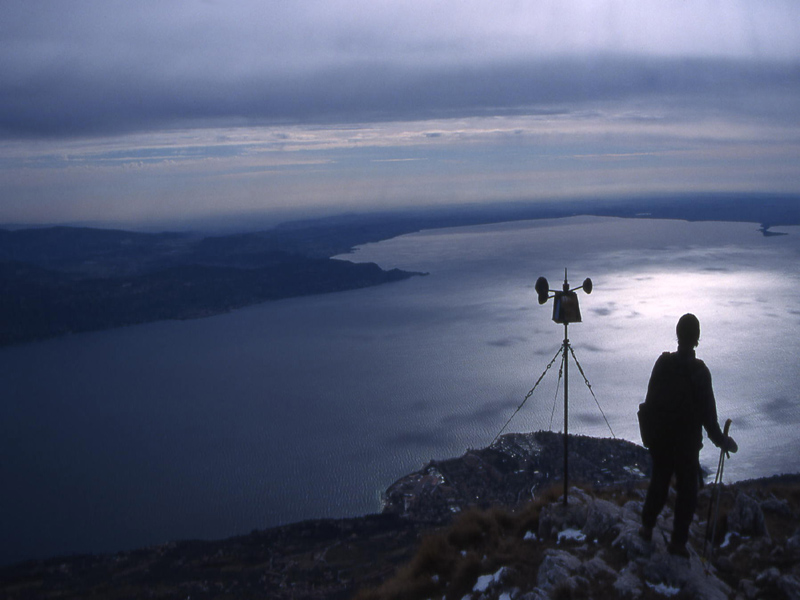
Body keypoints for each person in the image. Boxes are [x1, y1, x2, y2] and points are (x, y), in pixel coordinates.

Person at [639, 313, 737, 557]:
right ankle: (678, 543)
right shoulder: (700, 373)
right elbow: (709, 419)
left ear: (678, 335)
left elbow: (650, 403)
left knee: (659, 484)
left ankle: (646, 527)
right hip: (686, 446)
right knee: (688, 493)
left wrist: (652, 436)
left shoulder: (662, 363)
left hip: (661, 441)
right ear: (697, 339)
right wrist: (723, 442)